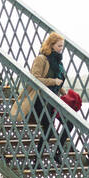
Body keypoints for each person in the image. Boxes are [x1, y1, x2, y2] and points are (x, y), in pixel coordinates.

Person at [28, 32, 68, 164]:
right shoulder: (41, 59)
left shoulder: (58, 61)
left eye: (62, 46)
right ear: (51, 45)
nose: (61, 49)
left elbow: (58, 82)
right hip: (40, 99)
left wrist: (64, 93)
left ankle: (58, 153)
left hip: (53, 99)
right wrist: (53, 81)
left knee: (69, 123)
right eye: (59, 46)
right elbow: (34, 79)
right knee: (49, 128)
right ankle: (37, 159)